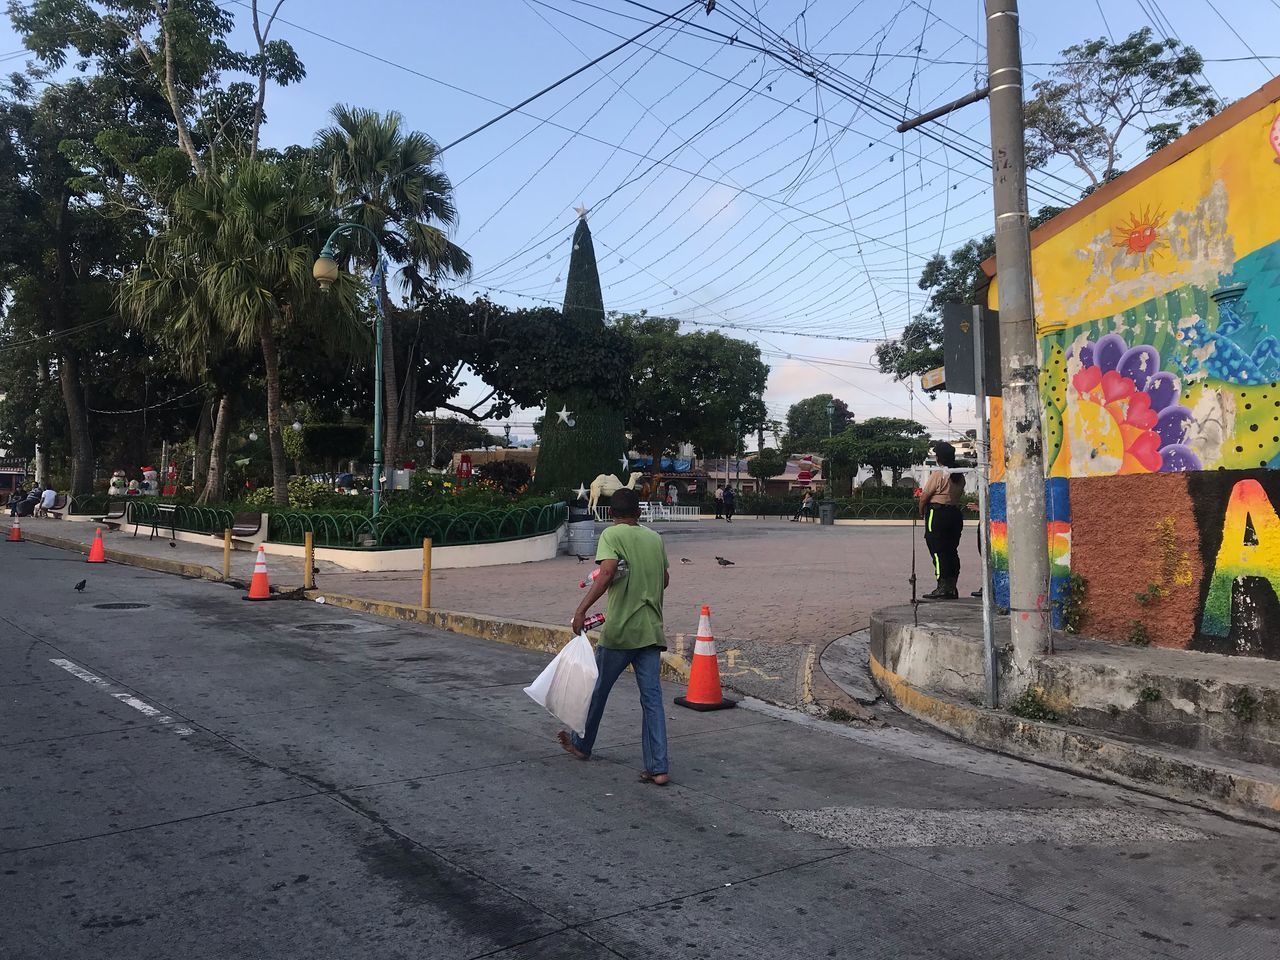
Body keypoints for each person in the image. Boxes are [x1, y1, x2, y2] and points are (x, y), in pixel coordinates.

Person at [560, 487, 670, 785]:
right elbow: (665, 579)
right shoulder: (654, 538)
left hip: (621, 629)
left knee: (598, 690)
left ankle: (582, 745)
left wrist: (582, 609)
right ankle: (658, 767)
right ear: (639, 513)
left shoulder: (612, 535)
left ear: (611, 513)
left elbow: (606, 572)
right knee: (652, 700)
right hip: (651, 628)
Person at [917, 441, 965, 599]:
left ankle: (942, 586)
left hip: (937, 514)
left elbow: (925, 496)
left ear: (940, 458)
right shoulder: (959, 475)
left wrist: (921, 510)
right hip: (954, 514)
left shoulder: (938, 475)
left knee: (937, 550)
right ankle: (952, 586)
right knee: (951, 550)